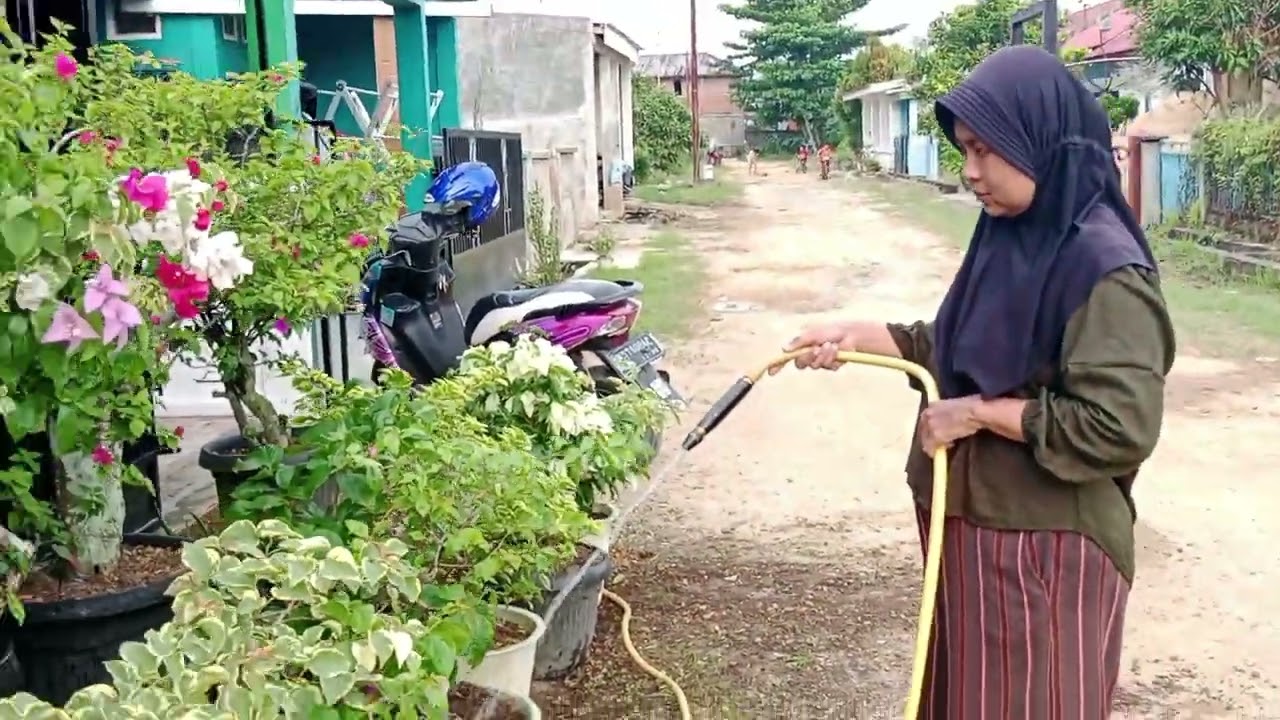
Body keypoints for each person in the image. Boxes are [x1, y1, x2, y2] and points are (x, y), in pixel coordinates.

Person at [773, 45, 1175, 719]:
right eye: (964, 149)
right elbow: (962, 347)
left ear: (1038, 139)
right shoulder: (1014, 234)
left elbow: (1119, 426)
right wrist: (856, 336)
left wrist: (982, 416)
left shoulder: (1106, 269)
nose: (970, 172)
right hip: (970, 536)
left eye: (986, 150)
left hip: (1042, 559)